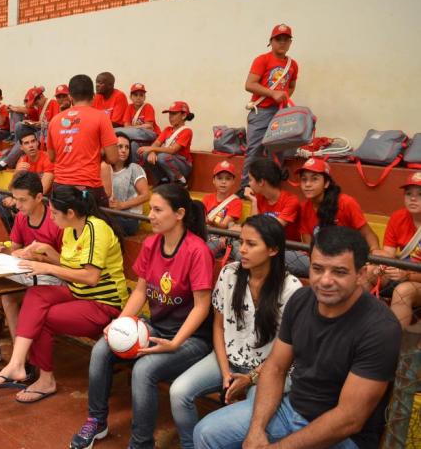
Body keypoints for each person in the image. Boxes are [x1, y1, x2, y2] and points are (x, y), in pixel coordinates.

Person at [193, 226, 402, 449]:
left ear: (360, 274)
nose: (325, 280)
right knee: (206, 433)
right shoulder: (302, 299)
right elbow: (275, 368)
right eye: (318, 269)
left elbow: (349, 419)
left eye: (339, 272)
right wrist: (256, 429)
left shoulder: (380, 329)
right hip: (291, 409)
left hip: (342, 437)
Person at [70, 184, 213, 449]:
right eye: (151, 209)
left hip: (191, 338)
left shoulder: (197, 250)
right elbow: (140, 291)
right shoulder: (151, 243)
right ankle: (96, 422)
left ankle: (141, 443)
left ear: (179, 213)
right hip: (157, 327)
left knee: (144, 370)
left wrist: (175, 343)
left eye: (158, 210)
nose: (151, 216)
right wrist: (119, 322)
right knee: (102, 349)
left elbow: (201, 307)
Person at [0, 186, 127, 404]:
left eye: (54, 213)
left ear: (70, 213)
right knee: (36, 295)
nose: (51, 217)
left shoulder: (97, 230)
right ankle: (17, 363)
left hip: (103, 303)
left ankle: (46, 380)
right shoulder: (71, 228)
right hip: (79, 293)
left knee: (43, 318)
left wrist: (48, 268)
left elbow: (90, 277)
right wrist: (47, 254)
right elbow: (69, 264)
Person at [170, 215, 302, 449]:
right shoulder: (229, 273)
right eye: (241, 242)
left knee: (253, 422)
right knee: (178, 392)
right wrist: (224, 373)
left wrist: (250, 378)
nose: (242, 250)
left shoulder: (291, 288)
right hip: (228, 359)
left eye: (251, 244)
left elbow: (287, 353)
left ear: (272, 249)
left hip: (268, 371)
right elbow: (218, 326)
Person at [0, 172, 64, 367]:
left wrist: (38, 257)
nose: (17, 205)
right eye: (15, 199)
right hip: (27, 272)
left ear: (38, 198)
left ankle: (23, 361)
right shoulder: (21, 217)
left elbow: (66, 264)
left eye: (22, 200)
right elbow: (16, 251)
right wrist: (2, 248)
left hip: (53, 276)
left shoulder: (56, 220)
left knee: (8, 296)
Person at [240, 24, 299, 192]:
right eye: (278, 39)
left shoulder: (292, 64)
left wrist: (284, 96)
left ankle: (272, 188)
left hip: (280, 113)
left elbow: (292, 85)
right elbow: (249, 84)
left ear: (290, 43)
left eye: (286, 40)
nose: (282, 43)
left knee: (278, 151)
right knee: (255, 150)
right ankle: (245, 188)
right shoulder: (262, 59)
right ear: (271, 41)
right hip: (261, 112)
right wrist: (273, 94)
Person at [295, 158, 379, 275]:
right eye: (304, 180)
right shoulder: (304, 208)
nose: (307, 184)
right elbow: (308, 246)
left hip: (347, 261)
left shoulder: (346, 203)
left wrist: (374, 255)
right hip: (319, 261)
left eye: (314, 179)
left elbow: (369, 234)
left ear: (326, 183)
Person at [47, 74, 119, 207]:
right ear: (93, 95)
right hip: (89, 189)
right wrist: (98, 153)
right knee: (99, 225)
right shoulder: (101, 117)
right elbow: (114, 158)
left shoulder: (55, 120)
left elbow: (51, 157)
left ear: (70, 97)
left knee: (65, 227)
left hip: (60, 188)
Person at [373, 172, 421, 327]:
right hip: (403, 273)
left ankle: (391, 345)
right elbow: (388, 254)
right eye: (408, 194)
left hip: (413, 279)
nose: (413, 198)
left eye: (420, 194)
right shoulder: (398, 217)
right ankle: (355, 333)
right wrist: (381, 265)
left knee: (403, 291)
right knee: (367, 272)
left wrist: (407, 275)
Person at [0, 85, 63, 171]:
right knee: (19, 126)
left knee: (25, 141)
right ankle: (16, 149)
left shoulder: (53, 103)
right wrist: (35, 124)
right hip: (40, 129)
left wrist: (41, 124)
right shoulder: (40, 106)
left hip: (46, 132)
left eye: (36, 103)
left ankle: (6, 162)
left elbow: (56, 123)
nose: (35, 105)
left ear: (41, 97)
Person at [0, 128, 54, 232]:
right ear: (21, 147)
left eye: (33, 141)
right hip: (27, 199)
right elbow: (11, 188)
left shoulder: (47, 158)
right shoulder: (22, 160)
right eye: (26, 143)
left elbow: (42, 190)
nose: (31, 145)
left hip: (45, 200)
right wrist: (16, 173)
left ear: (37, 143)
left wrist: (17, 200)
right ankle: (13, 234)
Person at [136, 101, 195, 186]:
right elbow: (156, 143)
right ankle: (162, 181)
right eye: (169, 114)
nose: (170, 117)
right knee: (146, 154)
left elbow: (173, 150)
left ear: (184, 115)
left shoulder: (187, 131)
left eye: (174, 114)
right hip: (169, 159)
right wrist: (151, 152)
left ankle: (180, 180)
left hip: (183, 164)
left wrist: (152, 149)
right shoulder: (167, 129)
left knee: (162, 157)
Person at [107, 136, 150, 236]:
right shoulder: (106, 169)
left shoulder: (134, 168)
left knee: (101, 224)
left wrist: (122, 205)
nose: (124, 150)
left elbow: (146, 195)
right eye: (120, 147)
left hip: (129, 218)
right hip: (110, 214)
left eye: (127, 147)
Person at [202, 161, 243, 255]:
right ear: (213, 180)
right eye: (219, 178)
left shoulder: (236, 202)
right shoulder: (207, 198)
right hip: (205, 233)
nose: (223, 182)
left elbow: (224, 226)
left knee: (205, 251)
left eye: (228, 179)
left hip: (221, 237)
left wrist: (211, 222)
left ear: (233, 181)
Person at [114, 83, 160, 161]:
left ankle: (112, 131)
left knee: (118, 131)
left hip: (150, 136)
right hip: (137, 137)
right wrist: (139, 127)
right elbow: (126, 127)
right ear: (131, 97)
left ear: (144, 97)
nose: (138, 98)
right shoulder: (129, 107)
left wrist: (132, 128)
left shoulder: (148, 106)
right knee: (132, 145)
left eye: (141, 95)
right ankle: (134, 167)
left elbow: (148, 127)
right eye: (135, 95)